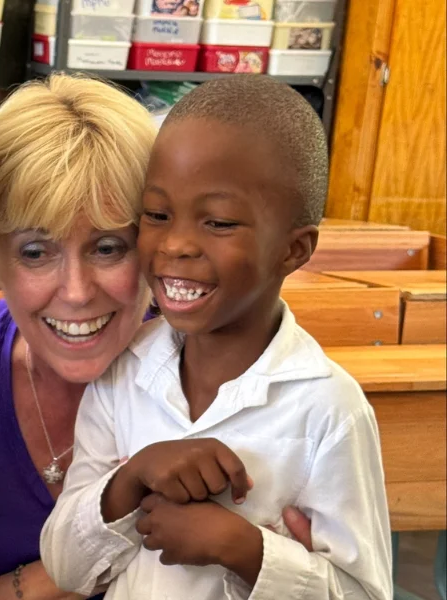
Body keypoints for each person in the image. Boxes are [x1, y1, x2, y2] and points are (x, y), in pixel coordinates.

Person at [0, 74, 316, 600]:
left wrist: (280, 572)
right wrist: (75, 566)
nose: (76, 292)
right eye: (36, 251)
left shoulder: (254, 384)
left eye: (109, 247)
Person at [41, 75, 393, 599]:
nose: (176, 244)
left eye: (220, 223)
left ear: (293, 251)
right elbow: (66, 567)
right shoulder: (123, 374)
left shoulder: (328, 409)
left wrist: (246, 550)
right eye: (157, 215)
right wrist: (129, 481)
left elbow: (366, 592)